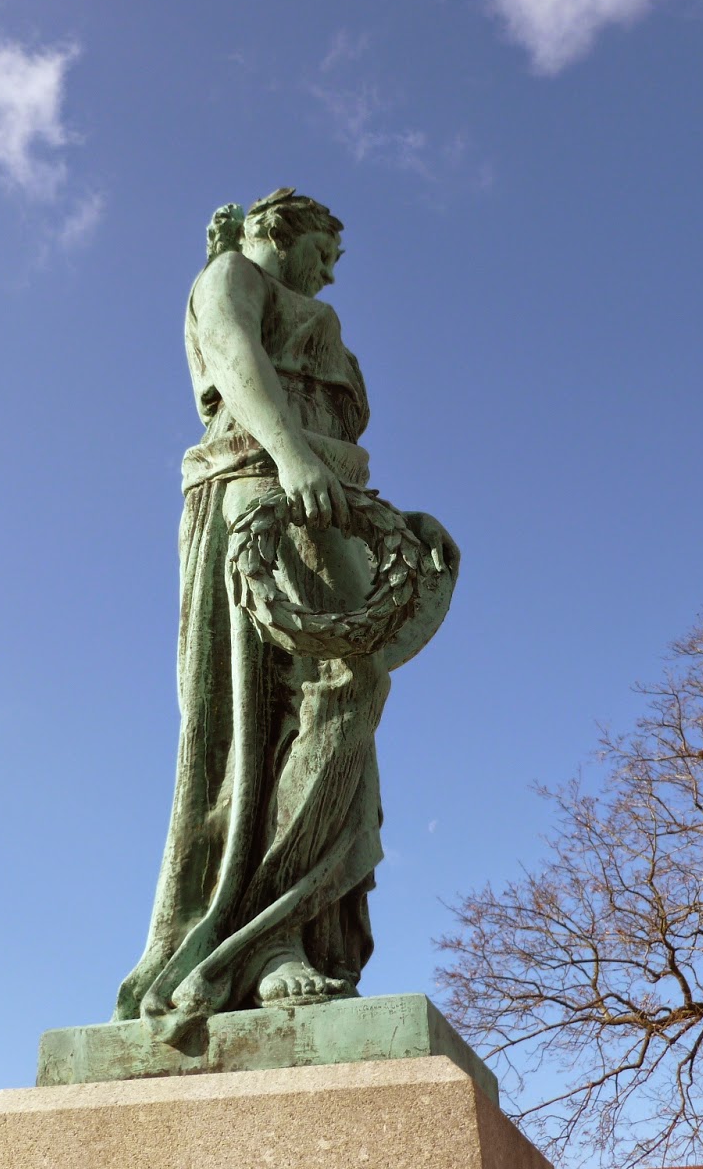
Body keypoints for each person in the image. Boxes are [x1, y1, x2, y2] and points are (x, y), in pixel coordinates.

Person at [113, 189, 458, 1044]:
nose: (332, 271)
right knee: (271, 715)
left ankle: (284, 926)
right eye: (324, 253)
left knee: (344, 700)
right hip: (254, 491)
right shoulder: (230, 273)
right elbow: (234, 358)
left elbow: (332, 445)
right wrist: (292, 453)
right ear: (280, 232)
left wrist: (391, 523)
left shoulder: (313, 314)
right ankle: (261, 942)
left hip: (322, 498)